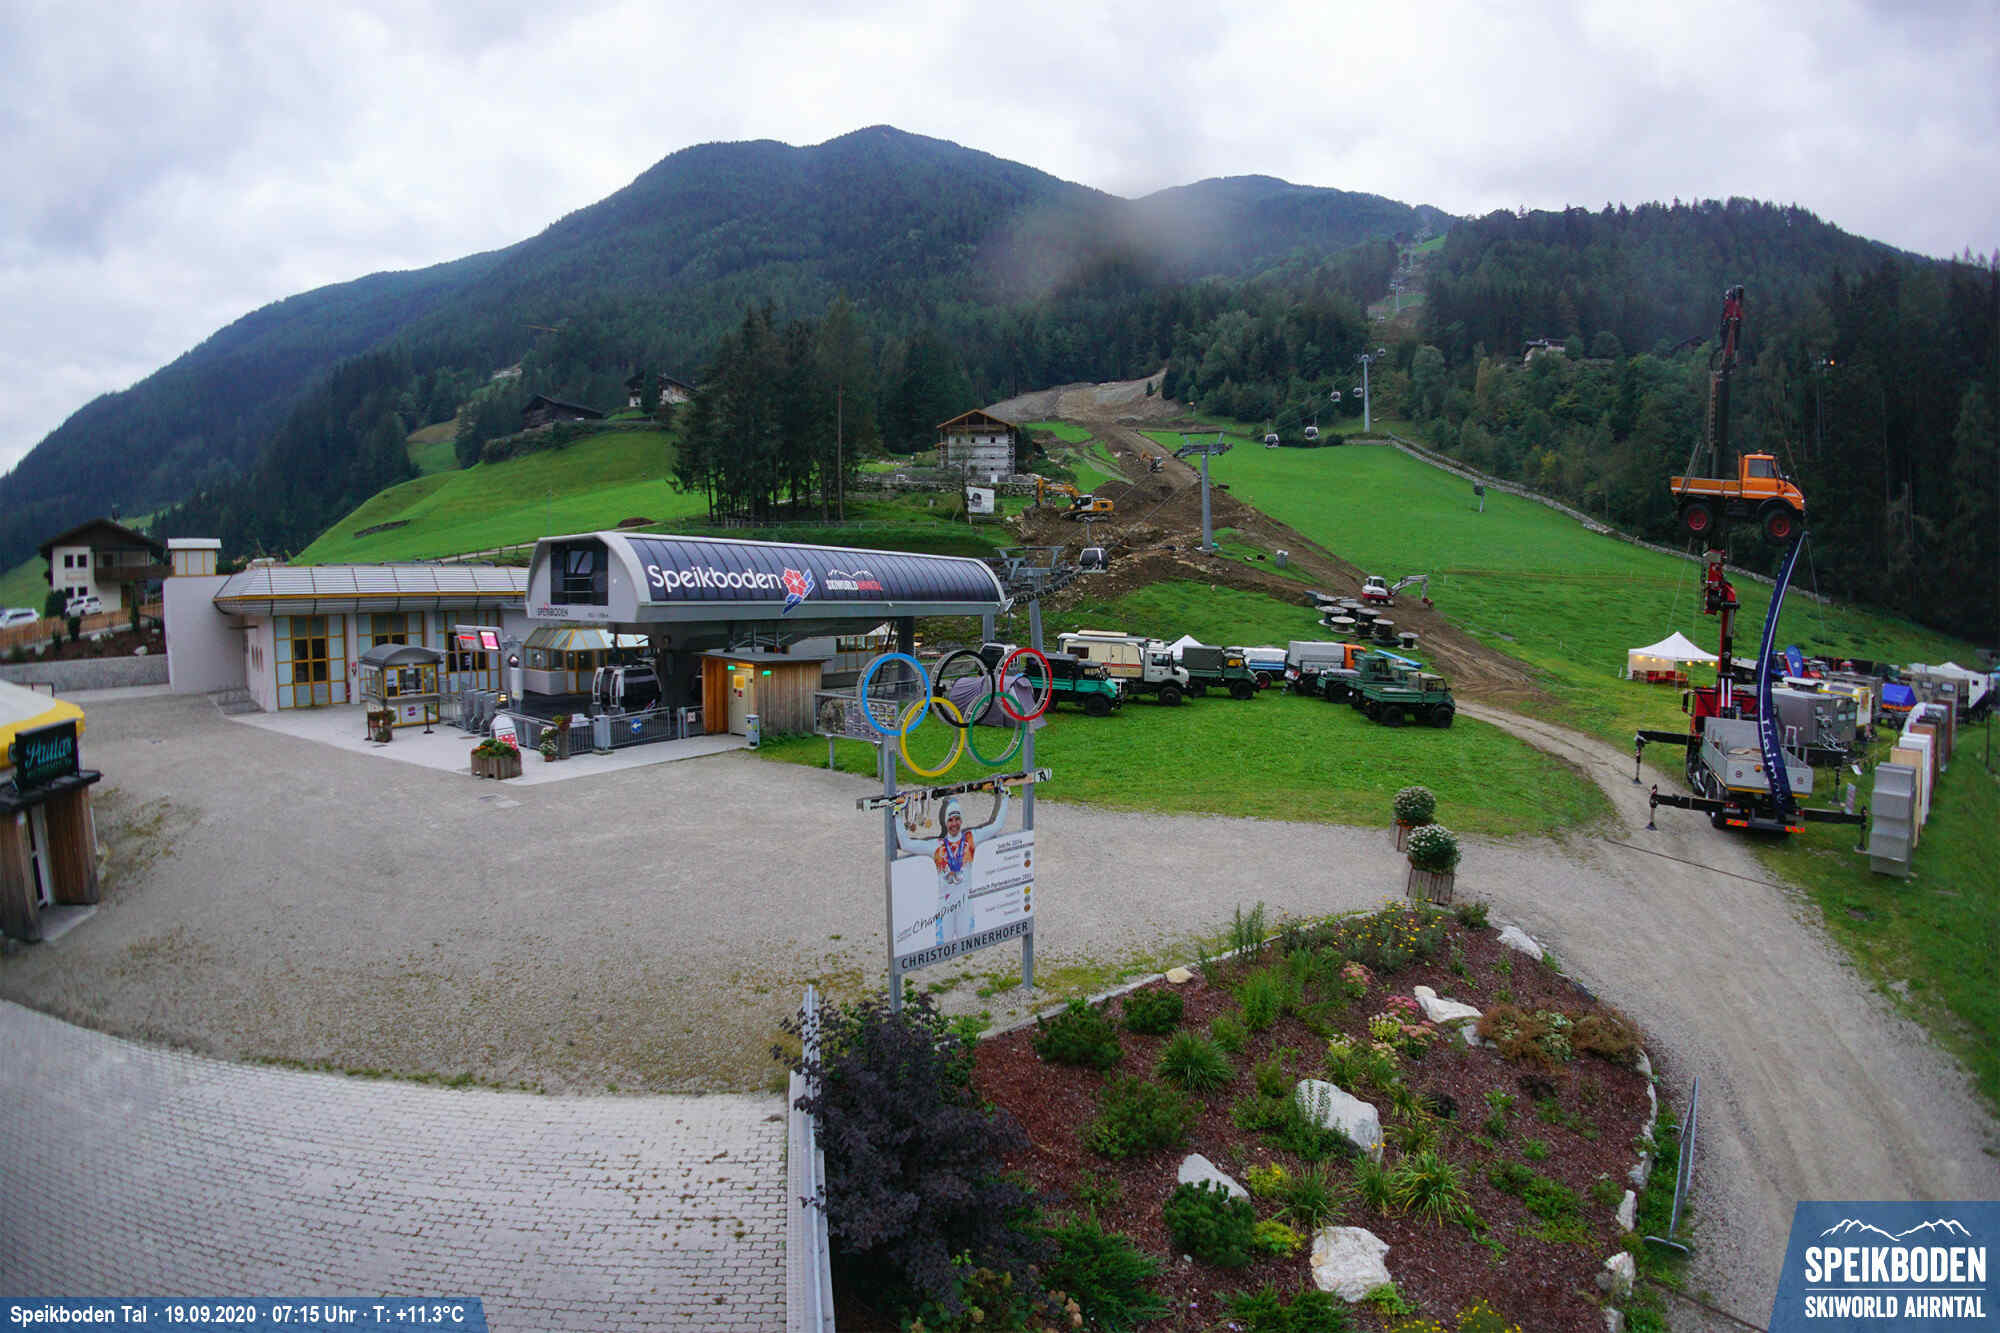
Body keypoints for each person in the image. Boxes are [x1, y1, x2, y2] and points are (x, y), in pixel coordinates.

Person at [895, 790, 1010, 945]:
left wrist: (1005, 797)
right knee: (942, 949)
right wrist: (897, 813)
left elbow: (997, 826)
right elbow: (905, 844)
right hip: (945, 906)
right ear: (945, 822)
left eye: (957, 819)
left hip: (966, 903)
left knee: (967, 946)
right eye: (950, 820)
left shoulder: (971, 838)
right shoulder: (936, 846)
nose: (954, 824)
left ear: (961, 820)